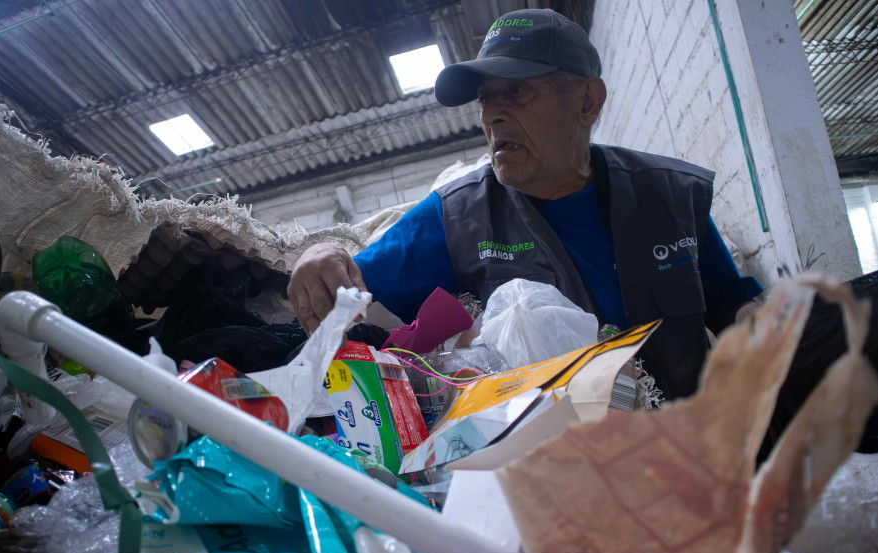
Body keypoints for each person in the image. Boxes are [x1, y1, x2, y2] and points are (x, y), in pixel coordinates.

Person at [288, 8, 763, 401]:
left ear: (587, 102)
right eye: (485, 98)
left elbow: (733, 307)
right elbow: (344, 290)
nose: (492, 114)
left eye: (516, 91)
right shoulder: (458, 215)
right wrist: (320, 256)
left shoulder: (671, 194)